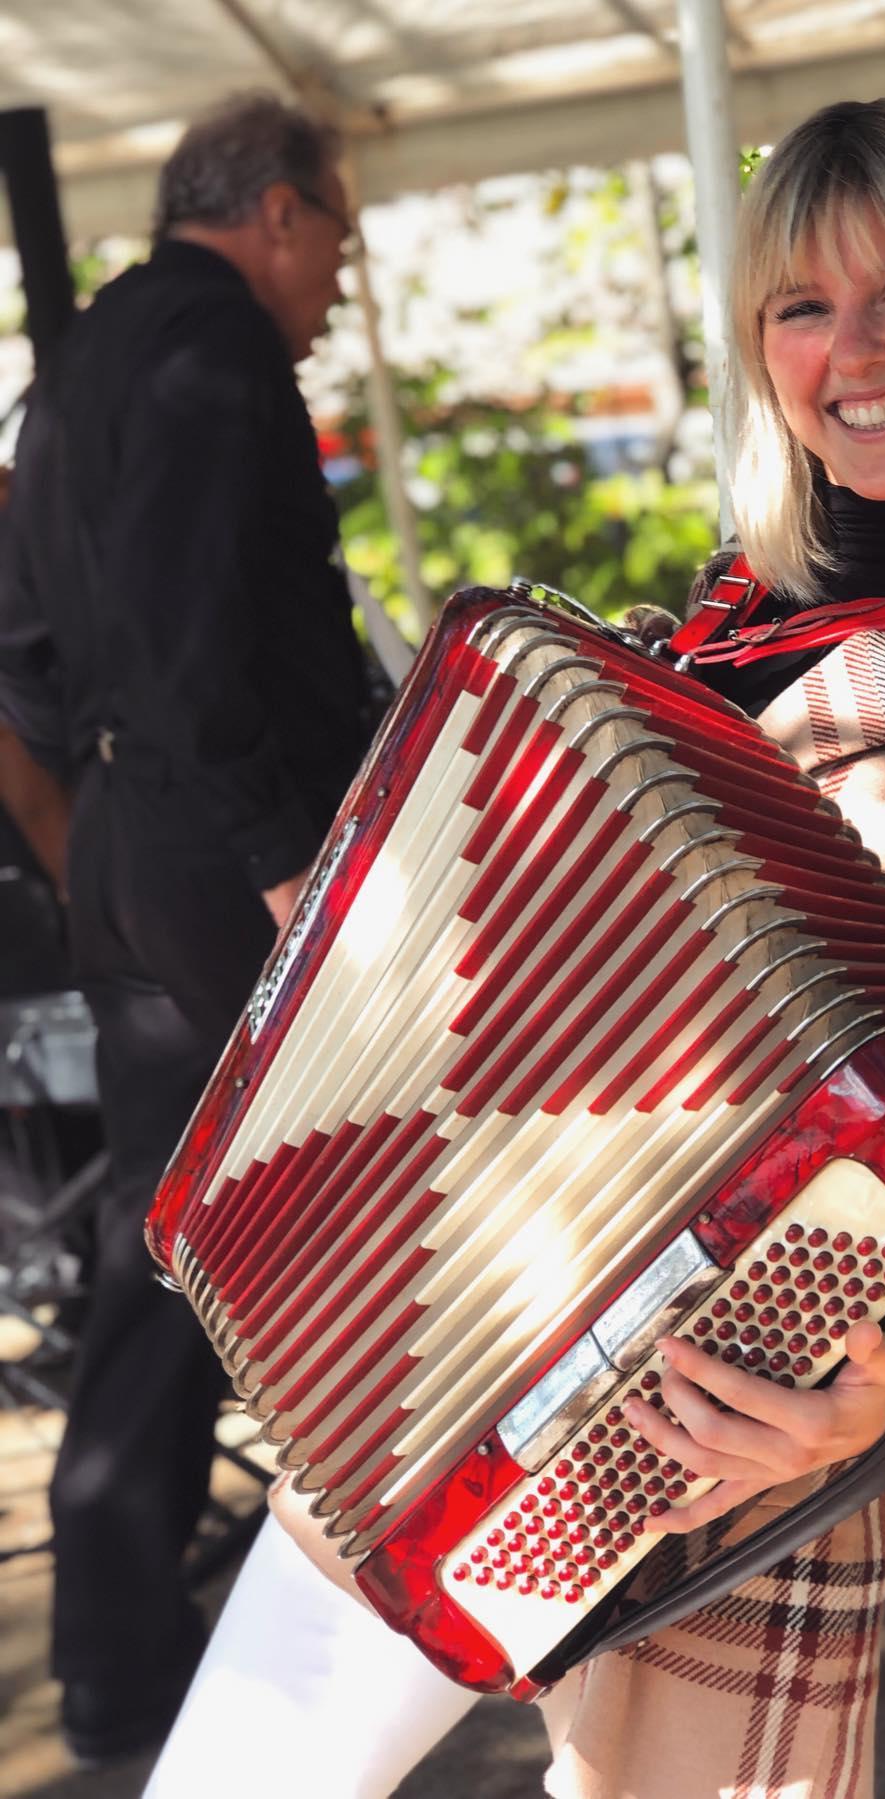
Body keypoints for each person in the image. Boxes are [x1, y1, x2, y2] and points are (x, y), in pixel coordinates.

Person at [148, 95, 885, 1799]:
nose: (853, 349)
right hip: (436, 1359)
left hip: (747, 1439)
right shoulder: (725, 624)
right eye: (801, 306)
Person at [0, 91, 375, 1765]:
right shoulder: (212, 352)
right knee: (343, 1191)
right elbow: (196, 633)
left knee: (169, 1241)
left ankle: (116, 1654)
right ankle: (405, 1568)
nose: (338, 281)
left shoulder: (74, 363)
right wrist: (281, 859)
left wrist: (103, 822)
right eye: (336, 237)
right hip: (225, 853)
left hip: (128, 844)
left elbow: (27, 650)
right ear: (278, 211)